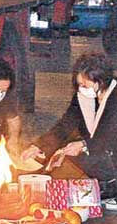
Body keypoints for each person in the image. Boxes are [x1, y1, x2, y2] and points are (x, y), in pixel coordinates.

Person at [21, 53, 117, 210]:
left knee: (83, 148)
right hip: (102, 147)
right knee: (68, 148)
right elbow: (65, 124)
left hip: (112, 146)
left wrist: (84, 144)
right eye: (79, 84)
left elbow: (110, 134)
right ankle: (107, 184)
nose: (81, 89)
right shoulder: (84, 96)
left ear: (102, 81)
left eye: (86, 85)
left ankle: (113, 185)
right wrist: (39, 146)